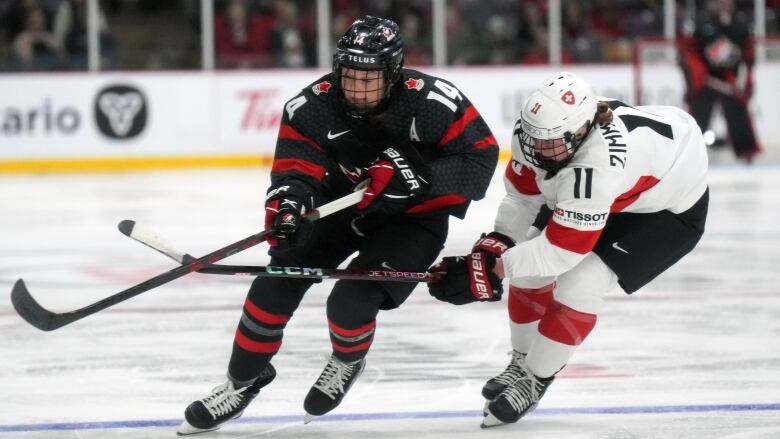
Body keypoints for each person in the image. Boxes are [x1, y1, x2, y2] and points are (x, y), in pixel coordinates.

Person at [177, 15, 498, 435]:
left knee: (349, 302)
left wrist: (416, 176)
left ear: (395, 72)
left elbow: (481, 159)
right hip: (340, 205)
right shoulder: (312, 106)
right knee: (273, 283)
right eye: (350, 75)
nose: (357, 87)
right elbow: (296, 170)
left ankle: (347, 361)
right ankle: (242, 382)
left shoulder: (433, 101)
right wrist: (289, 203)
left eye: (370, 77)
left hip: (414, 221)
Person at [428, 72, 709, 427]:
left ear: (581, 134)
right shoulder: (543, 137)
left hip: (669, 209)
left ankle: (536, 377)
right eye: (531, 138)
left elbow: (562, 252)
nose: (535, 150)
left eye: (549, 144)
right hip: (624, 188)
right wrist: (494, 248)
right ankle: (522, 360)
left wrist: (494, 269)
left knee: (582, 283)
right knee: (528, 264)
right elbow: (521, 198)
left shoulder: (597, 165)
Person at [677, 0, 761, 162]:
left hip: (731, 79)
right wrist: (699, 78)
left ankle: (746, 151)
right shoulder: (697, 23)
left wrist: (742, 81)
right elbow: (688, 53)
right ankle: (688, 155)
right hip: (705, 79)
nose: (724, 3)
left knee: (738, 114)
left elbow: (748, 55)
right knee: (697, 117)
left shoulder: (742, 24)